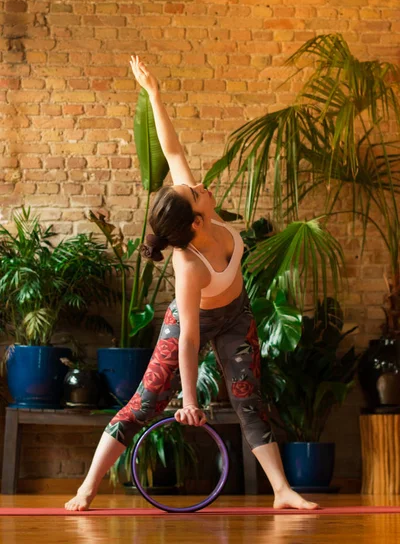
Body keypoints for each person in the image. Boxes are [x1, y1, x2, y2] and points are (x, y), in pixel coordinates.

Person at [65, 55, 319, 512]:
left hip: (236, 315)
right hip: (193, 323)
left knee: (249, 398)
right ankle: (87, 487)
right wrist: (188, 396)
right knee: (144, 403)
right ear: (196, 222)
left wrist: (155, 95)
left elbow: (173, 152)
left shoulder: (204, 215)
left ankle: (282, 491)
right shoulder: (189, 264)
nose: (199, 183)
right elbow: (188, 339)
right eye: (196, 191)